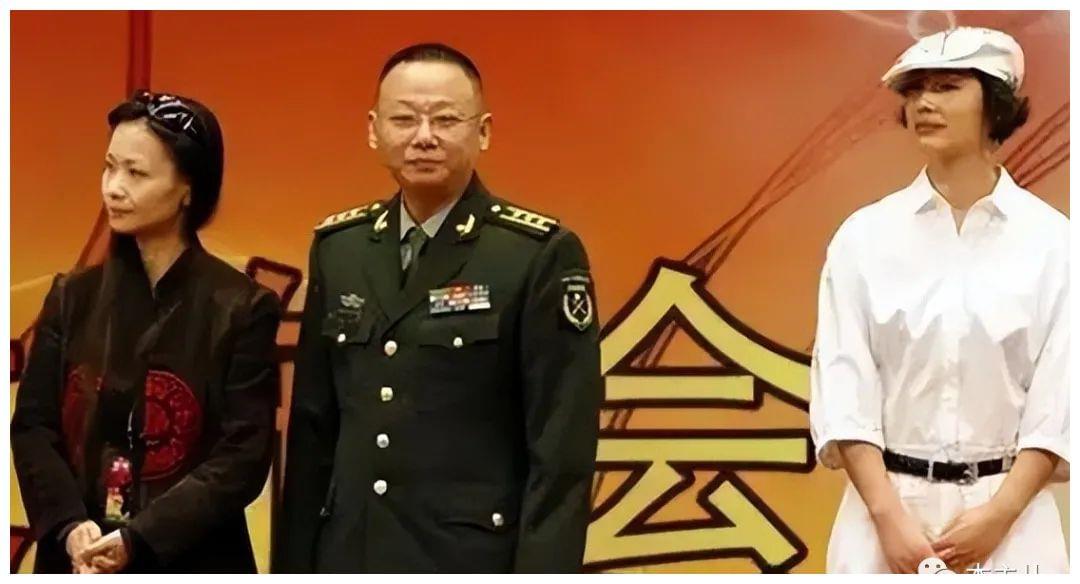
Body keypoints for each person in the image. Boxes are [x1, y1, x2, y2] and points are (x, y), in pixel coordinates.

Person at [274, 43, 602, 573]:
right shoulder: (341, 248)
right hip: (350, 555)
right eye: (404, 119)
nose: (423, 136)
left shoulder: (534, 254)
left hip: (469, 558)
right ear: (374, 130)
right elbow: (313, 431)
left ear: (484, 132)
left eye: (446, 119)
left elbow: (561, 453)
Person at [809, 27, 1068, 574]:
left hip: (1012, 519)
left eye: (947, 88)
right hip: (884, 513)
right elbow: (844, 383)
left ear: (995, 105)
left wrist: (1000, 514)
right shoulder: (864, 238)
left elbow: (1062, 392)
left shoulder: (1055, 243)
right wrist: (889, 519)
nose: (924, 103)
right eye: (915, 90)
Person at [11, 90, 282, 573]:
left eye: (135, 173)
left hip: (191, 557)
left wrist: (140, 538)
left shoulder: (241, 307)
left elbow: (242, 456)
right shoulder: (73, 296)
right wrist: (71, 526)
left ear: (188, 189)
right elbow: (34, 427)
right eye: (109, 167)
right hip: (76, 557)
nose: (113, 188)